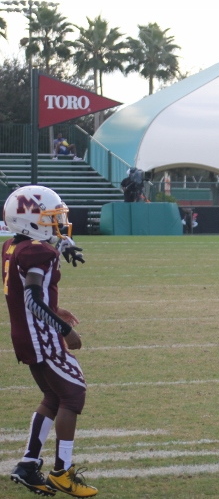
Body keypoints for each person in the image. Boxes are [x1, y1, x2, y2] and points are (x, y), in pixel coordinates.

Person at [3, 185, 95, 498]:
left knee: (53, 396)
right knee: (73, 394)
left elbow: (25, 293)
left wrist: (55, 308)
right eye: (50, 218)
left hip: (25, 334)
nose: (57, 223)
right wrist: (64, 328)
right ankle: (61, 472)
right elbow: (31, 299)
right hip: (40, 335)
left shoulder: (13, 246)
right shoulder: (37, 252)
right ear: (30, 221)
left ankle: (28, 464)